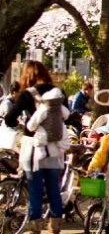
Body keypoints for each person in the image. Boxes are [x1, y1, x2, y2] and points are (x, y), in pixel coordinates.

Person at [3, 61, 69, 234]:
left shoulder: (26, 94)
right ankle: (55, 225)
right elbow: (67, 117)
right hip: (54, 149)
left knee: (35, 189)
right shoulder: (59, 93)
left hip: (33, 149)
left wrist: (22, 125)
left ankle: (35, 226)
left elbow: (9, 118)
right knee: (54, 187)